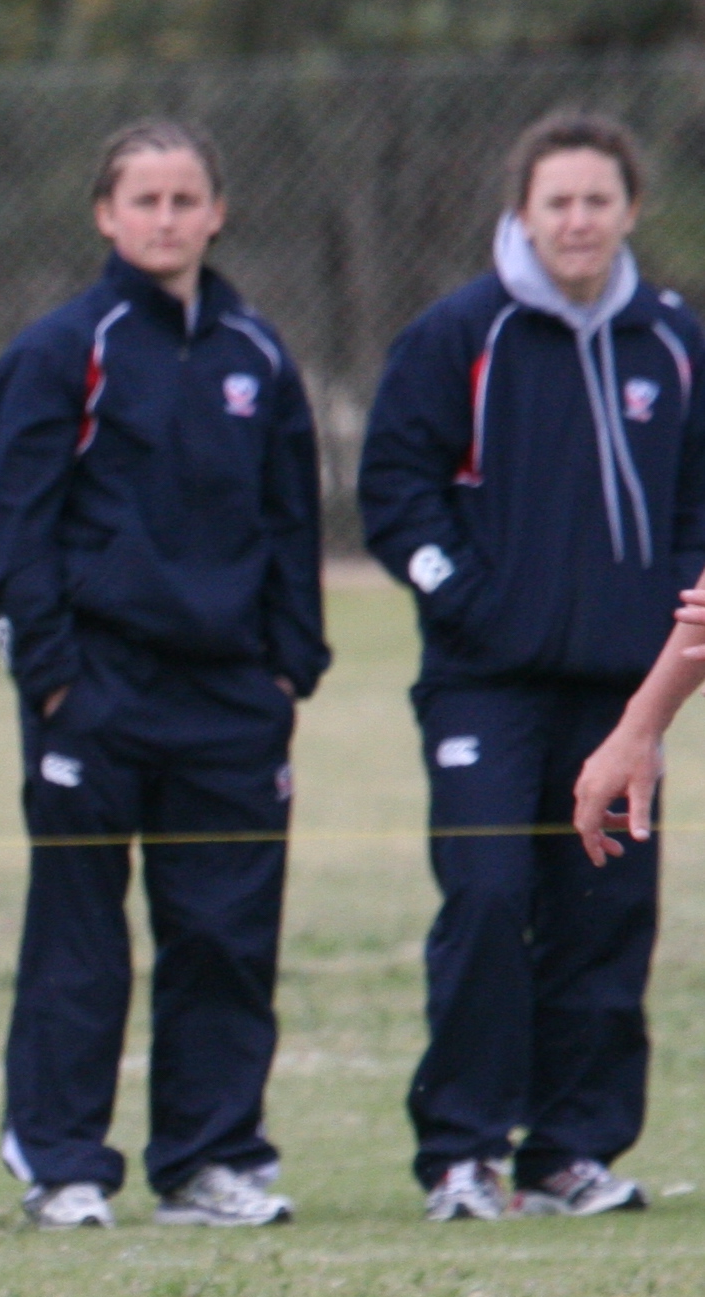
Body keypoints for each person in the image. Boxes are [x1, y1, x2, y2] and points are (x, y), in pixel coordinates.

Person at [0, 120, 326, 1233]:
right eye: (144, 200)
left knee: (223, 936)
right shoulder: (58, 351)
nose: (165, 218)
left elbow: (291, 522)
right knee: (79, 939)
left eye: (185, 199)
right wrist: (49, 680)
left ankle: (209, 1159)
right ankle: (62, 1164)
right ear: (104, 213)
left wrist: (287, 669)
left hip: (230, 699)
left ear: (215, 211)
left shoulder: (257, 355)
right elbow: (19, 532)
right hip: (95, 691)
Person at [363, 112, 705, 1222]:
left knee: (604, 908)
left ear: (626, 212)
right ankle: (460, 1151)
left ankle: (570, 1150)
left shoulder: (671, 340)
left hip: (623, 691)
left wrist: (670, 625)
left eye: (594, 201)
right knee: (486, 893)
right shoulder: (458, 334)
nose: (574, 221)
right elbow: (392, 496)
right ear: (520, 213)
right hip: (483, 684)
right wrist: (464, 598)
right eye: (553, 201)